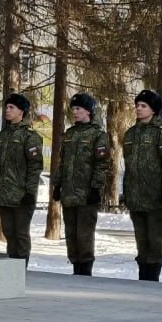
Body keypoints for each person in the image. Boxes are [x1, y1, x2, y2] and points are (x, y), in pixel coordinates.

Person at [52, 93, 111, 276]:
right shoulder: (69, 134)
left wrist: (96, 188)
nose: (75, 112)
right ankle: (75, 267)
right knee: (71, 235)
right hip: (69, 194)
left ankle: (85, 270)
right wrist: (57, 185)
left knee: (84, 235)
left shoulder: (98, 135)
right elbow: (62, 162)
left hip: (86, 195)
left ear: (88, 111)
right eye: (73, 109)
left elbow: (102, 164)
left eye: (78, 109)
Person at [122, 89, 162, 282]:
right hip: (136, 198)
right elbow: (128, 166)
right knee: (141, 242)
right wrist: (126, 192)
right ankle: (143, 276)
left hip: (155, 198)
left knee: (154, 242)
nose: (138, 108)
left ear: (153, 110)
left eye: (143, 106)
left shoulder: (161, 134)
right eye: (137, 105)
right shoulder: (130, 134)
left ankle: (152, 278)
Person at [0, 93, 43, 265]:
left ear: (21, 111)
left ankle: (21, 268)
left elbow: (35, 167)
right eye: (6, 107)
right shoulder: (2, 135)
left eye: (11, 107)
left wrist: (30, 192)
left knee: (21, 234)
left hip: (22, 196)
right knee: (9, 233)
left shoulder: (29, 136)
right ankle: (12, 268)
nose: (7, 110)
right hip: (5, 195)